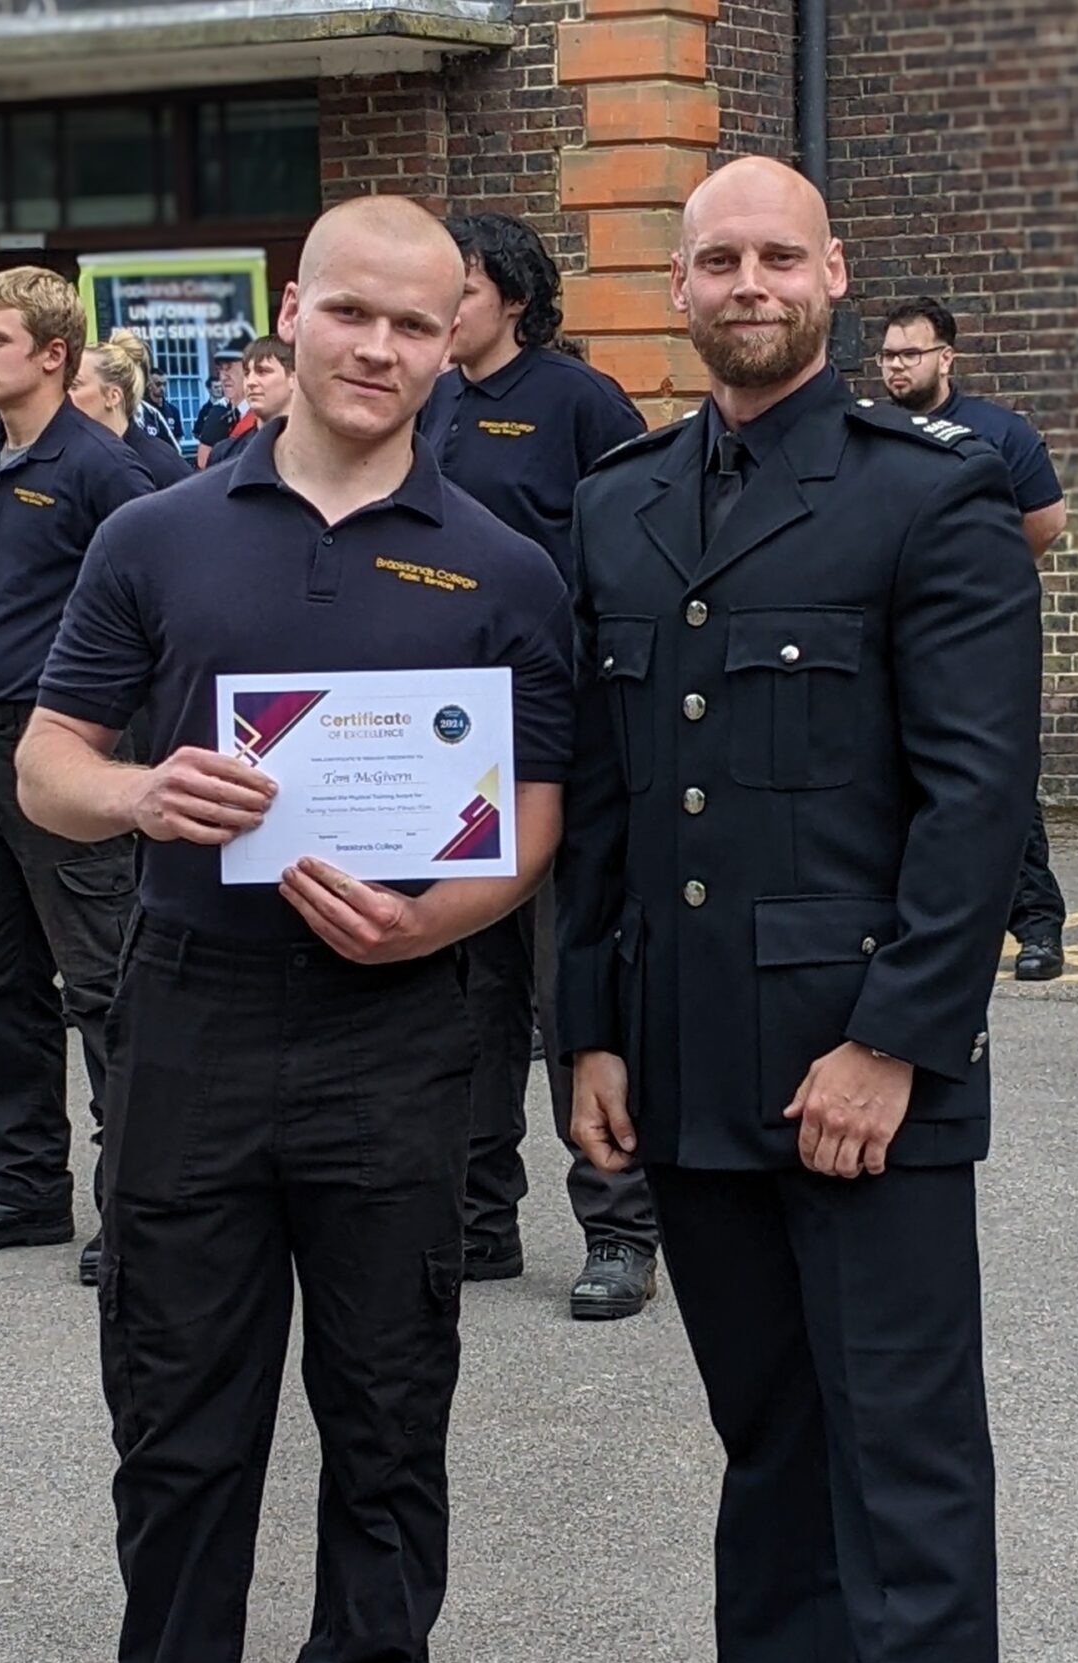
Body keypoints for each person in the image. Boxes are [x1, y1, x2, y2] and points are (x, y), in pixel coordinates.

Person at [14, 195, 572, 1663]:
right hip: (192, 1008)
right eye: (349, 313)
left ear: (451, 337)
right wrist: (139, 792)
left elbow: (535, 813)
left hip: (396, 1025)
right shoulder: (159, 534)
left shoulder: (502, 565)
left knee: (389, 1408)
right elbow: (46, 760)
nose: (377, 348)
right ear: (297, 315)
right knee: (177, 1410)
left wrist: (432, 923)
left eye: (414, 322)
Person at [558, 158, 1042, 1663]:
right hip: (688, 1063)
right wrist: (590, 1030)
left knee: (901, 1468)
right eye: (716, 258)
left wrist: (893, 1040)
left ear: (831, 274)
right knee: (768, 1442)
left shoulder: (931, 494)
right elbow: (610, 797)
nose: (746, 280)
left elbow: (974, 801)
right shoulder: (619, 504)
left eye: (777, 253)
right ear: (677, 287)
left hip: (863, 1077)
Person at [420, 212, 658, 1318]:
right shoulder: (431, 405)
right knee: (472, 998)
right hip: (451, 745)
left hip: (557, 734)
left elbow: (641, 547)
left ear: (513, 297)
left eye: (462, 289)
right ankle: (480, 1220)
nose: (444, 311)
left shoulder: (579, 402)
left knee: (573, 991)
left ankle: (617, 1224)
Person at [0, 266, 152, 1284]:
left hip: (68, 750)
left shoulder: (101, 469)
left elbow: (159, 602)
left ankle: (138, 1204)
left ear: (55, 354)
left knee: (101, 984)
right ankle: (22, 1186)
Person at [879, 296, 1067, 981]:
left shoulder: (997, 433)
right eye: (888, 356)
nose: (897, 368)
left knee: (993, 774)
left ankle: (1037, 924)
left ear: (946, 357)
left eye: (911, 354)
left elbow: (1045, 521)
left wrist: (980, 580)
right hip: (891, 629)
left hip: (977, 634)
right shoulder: (869, 433)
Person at [70, 332, 191, 489]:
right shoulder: (70, 457)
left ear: (113, 396)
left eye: (74, 385)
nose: (64, 394)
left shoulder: (164, 467)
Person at [205, 335, 296, 467]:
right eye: (247, 373)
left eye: (262, 371)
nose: (250, 382)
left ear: (293, 379)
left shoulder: (320, 448)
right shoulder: (223, 454)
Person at [194, 351, 256, 469]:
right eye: (220, 370)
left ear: (248, 372)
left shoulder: (261, 414)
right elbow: (202, 462)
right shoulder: (219, 413)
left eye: (229, 369)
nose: (223, 377)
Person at [145, 369, 184, 445]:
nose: (162, 388)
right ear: (149, 385)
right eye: (158, 384)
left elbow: (178, 437)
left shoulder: (173, 411)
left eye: (164, 384)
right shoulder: (142, 410)